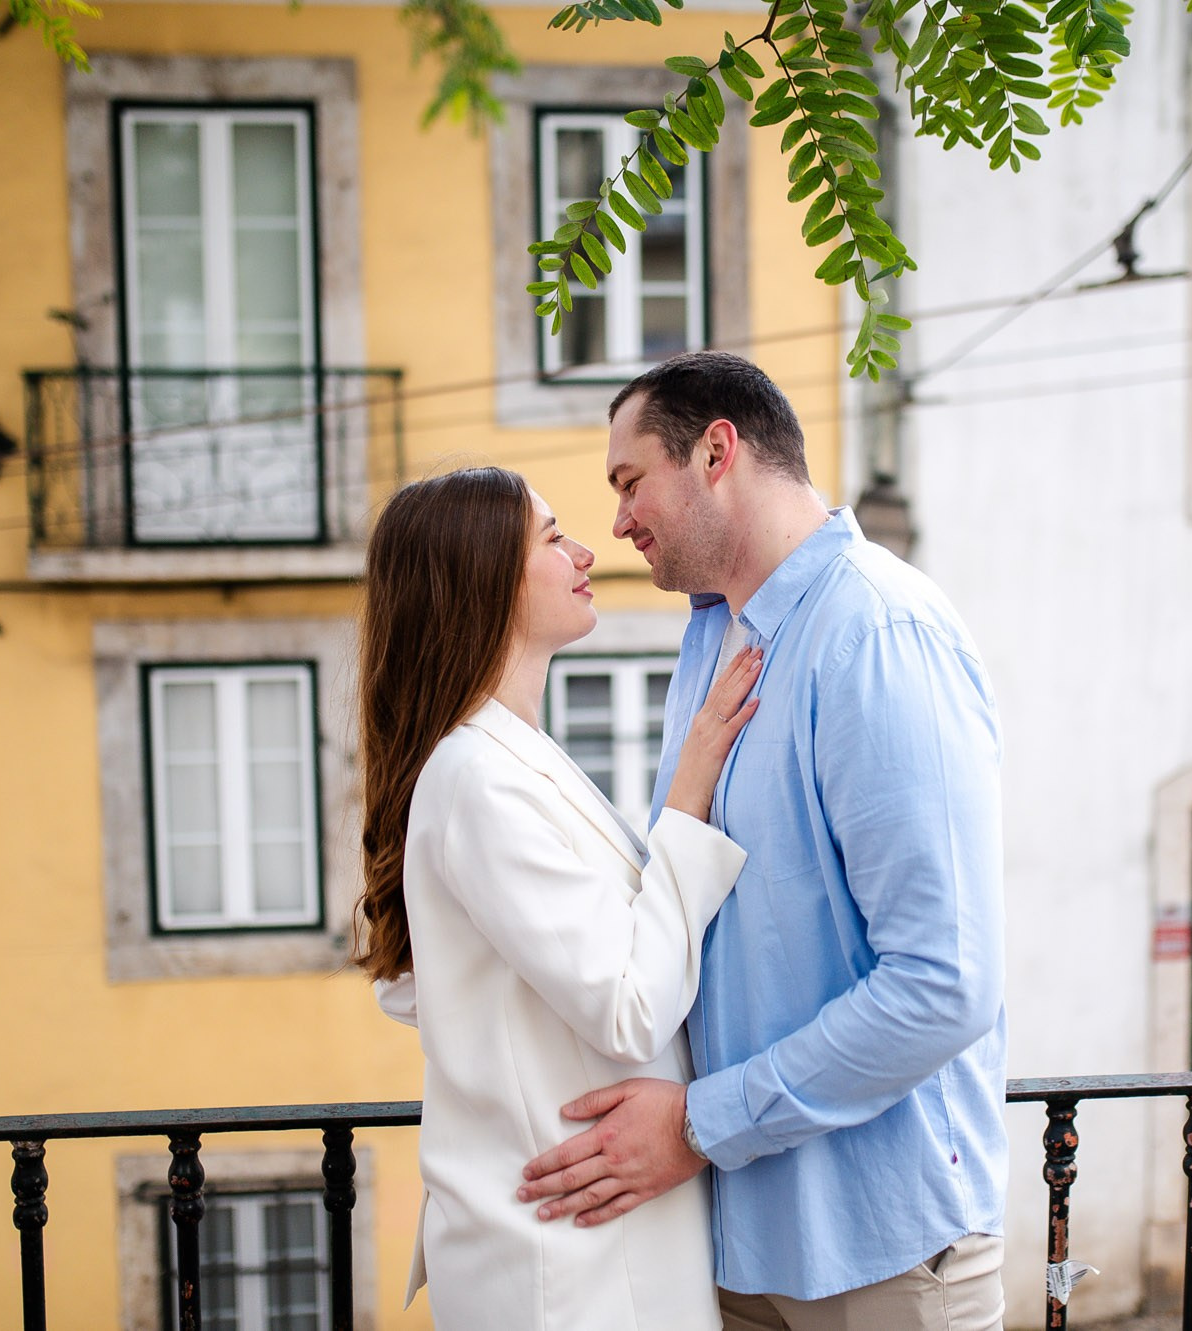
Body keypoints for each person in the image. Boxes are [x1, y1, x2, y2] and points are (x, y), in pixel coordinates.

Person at [516, 352, 1010, 1330]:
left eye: (626, 481)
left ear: (714, 451)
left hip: (882, 1257)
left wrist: (699, 1125)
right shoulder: (709, 640)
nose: (614, 521)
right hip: (736, 1246)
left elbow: (945, 978)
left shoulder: (876, 631)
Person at [354, 465, 765, 1331]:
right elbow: (629, 1005)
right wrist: (688, 799)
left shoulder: (505, 758)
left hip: (582, 1239)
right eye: (550, 536)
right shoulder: (477, 778)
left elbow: (437, 985)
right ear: (483, 579)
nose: (586, 551)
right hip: (569, 1270)